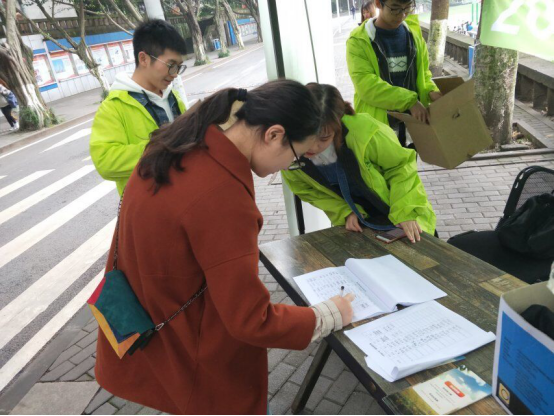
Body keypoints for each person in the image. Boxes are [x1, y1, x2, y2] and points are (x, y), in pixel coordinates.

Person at [94, 80, 356, 415]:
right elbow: (251, 319)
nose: (286, 168)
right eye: (293, 157)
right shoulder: (222, 197)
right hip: (196, 352)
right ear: (274, 134)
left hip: (152, 319)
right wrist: (328, 315)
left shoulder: (181, 142)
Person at [282, 83, 436, 243]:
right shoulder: (288, 157)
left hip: (405, 213)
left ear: (338, 124)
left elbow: (401, 166)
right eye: (308, 138)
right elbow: (306, 190)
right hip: (362, 224)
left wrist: (405, 211)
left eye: (324, 138)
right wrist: (345, 212)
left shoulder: (365, 132)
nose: (313, 147)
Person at [90, 19, 188, 196]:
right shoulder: (114, 107)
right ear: (143, 58)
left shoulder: (174, 97)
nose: (174, 74)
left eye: (179, 67)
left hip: (183, 197)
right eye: (171, 65)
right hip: (148, 206)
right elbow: (105, 162)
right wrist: (163, 147)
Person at [347, 0, 442, 147]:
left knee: (410, 160)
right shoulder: (359, 41)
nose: (402, 15)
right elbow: (366, 86)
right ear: (378, 4)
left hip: (412, 127)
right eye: (395, 8)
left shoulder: (414, 37)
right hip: (378, 128)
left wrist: (432, 92)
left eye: (407, 8)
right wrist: (409, 101)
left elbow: (423, 75)